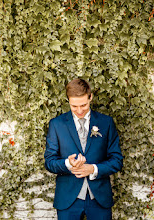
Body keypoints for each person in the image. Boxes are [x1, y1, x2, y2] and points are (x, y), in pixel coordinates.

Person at [44, 78, 123, 220]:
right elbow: (49, 161)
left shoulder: (106, 123)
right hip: (67, 200)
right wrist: (67, 164)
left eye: (83, 105)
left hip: (99, 199)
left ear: (90, 97)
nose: (79, 110)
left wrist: (93, 169)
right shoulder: (57, 124)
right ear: (68, 100)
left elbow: (117, 160)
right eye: (74, 106)